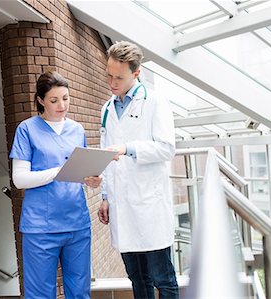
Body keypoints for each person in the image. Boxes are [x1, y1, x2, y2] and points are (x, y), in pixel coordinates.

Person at [98, 41, 179, 299]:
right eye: (109, 74)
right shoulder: (107, 109)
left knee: (163, 279)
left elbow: (166, 148)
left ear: (136, 73)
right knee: (137, 278)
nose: (112, 82)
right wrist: (105, 197)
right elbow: (106, 157)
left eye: (118, 77)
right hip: (122, 206)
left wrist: (128, 148)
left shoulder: (154, 101)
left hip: (149, 205)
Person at [9, 71, 101, 298]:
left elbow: (78, 173)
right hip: (41, 227)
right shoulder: (27, 129)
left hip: (76, 224)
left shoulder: (77, 130)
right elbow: (19, 179)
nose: (62, 105)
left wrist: (92, 179)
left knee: (80, 292)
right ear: (40, 100)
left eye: (66, 98)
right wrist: (56, 172)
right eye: (54, 100)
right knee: (40, 294)